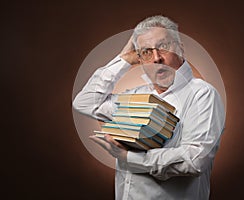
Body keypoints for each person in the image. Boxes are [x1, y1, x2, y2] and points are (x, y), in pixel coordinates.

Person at [73, 15, 225, 200]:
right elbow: (85, 102)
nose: (156, 58)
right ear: (140, 60)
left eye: (164, 46)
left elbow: (195, 161)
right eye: (146, 52)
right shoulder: (133, 97)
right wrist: (124, 60)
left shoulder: (202, 95)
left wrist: (129, 158)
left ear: (181, 49)